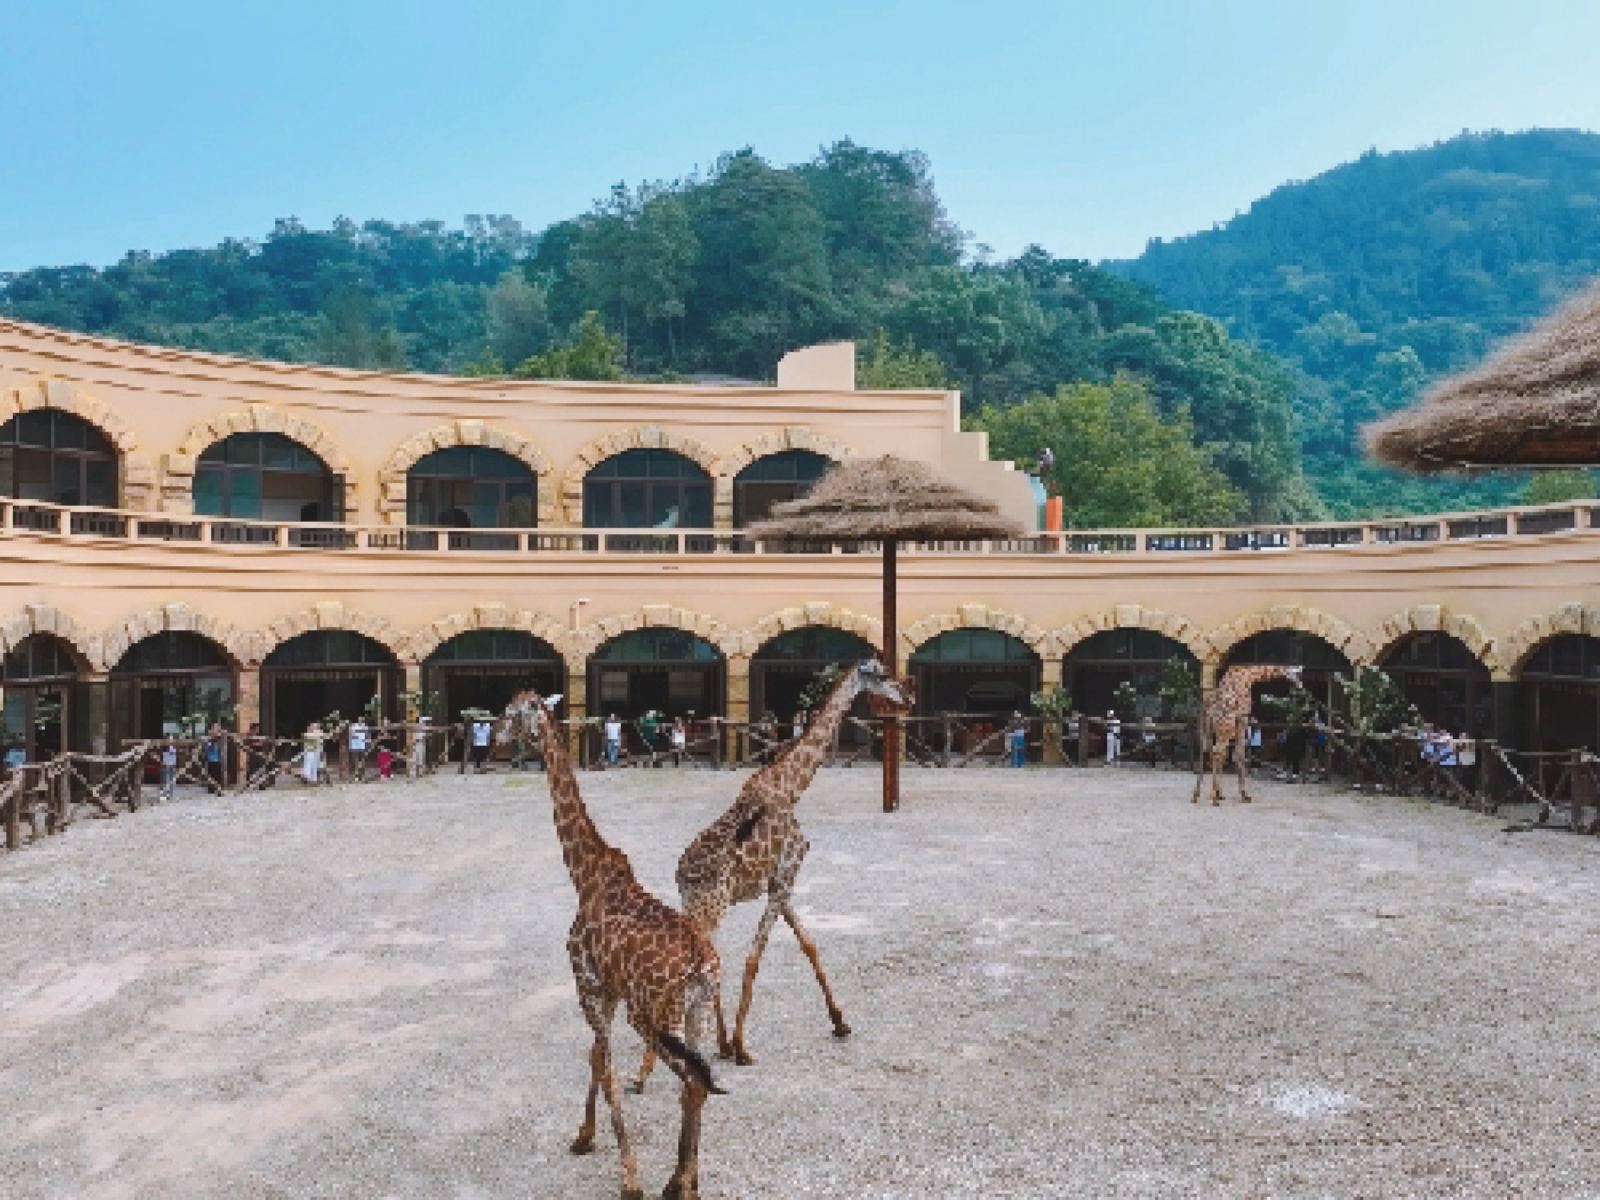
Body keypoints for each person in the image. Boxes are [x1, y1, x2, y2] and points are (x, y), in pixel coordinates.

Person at [203, 723, 224, 794]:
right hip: (210, 759)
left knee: (218, 775)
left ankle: (218, 789)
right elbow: (206, 745)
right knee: (211, 775)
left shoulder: (219, 736)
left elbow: (220, 737)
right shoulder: (208, 737)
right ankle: (211, 789)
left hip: (217, 758)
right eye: (215, 727)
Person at [348, 717, 370, 782]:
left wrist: (367, 746)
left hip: (362, 745)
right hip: (356, 745)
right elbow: (350, 736)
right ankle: (356, 774)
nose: (361, 721)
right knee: (356, 760)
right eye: (360, 720)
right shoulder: (354, 727)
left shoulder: (365, 727)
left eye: (362, 720)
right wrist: (350, 745)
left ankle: (362, 775)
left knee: (363, 760)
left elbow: (368, 737)